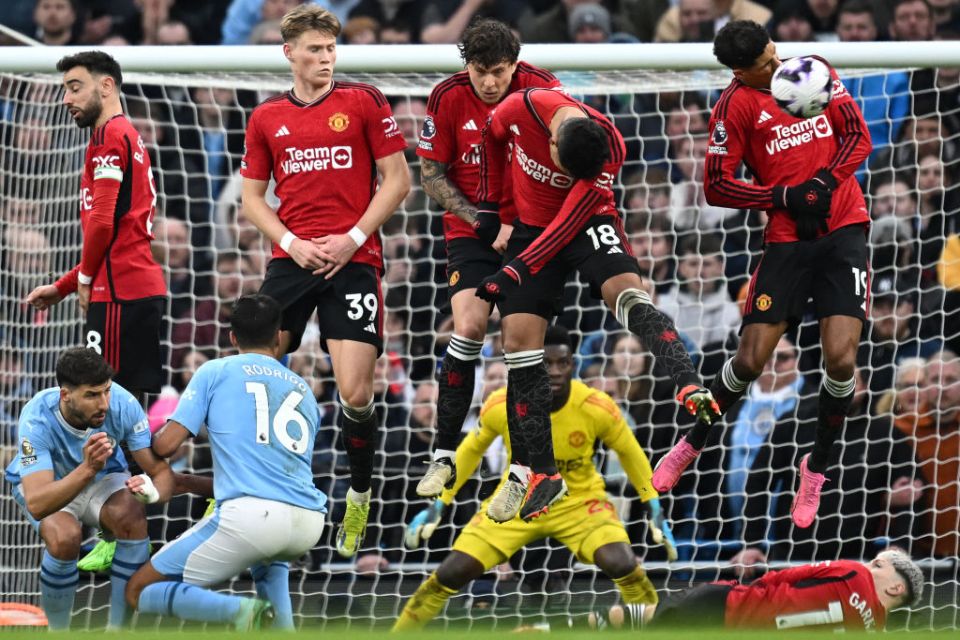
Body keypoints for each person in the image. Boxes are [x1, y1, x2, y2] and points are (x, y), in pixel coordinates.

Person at [654, 20, 873, 530]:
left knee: (841, 360)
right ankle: (693, 441)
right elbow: (716, 187)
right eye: (762, 66)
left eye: (773, 54)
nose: (775, 67)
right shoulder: (733, 108)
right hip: (786, 242)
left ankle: (815, 467)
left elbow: (857, 138)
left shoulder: (809, 71)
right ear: (739, 71)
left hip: (843, 231)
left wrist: (823, 181)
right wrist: (782, 197)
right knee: (750, 360)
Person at [474, 87, 717, 522]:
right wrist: (498, 210)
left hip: (587, 223)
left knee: (629, 295)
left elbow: (566, 224)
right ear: (551, 141)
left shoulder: (610, 148)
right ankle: (540, 473)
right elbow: (492, 137)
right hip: (531, 228)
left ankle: (687, 381)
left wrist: (511, 272)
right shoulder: (523, 106)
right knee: (518, 345)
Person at [239, 4, 410, 558]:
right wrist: (291, 244)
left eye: (331, 49)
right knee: (254, 377)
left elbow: (398, 179)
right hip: (293, 260)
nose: (325, 58)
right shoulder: (266, 118)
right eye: (314, 49)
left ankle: (358, 495)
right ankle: (246, 494)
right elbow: (251, 198)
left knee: (356, 393)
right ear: (289, 53)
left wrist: (353, 238)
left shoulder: (362, 101)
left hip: (353, 257)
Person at [393, 326, 673, 631]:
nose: (554, 371)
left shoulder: (596, 406)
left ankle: (653, 628)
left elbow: (633, 455)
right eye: (545, 364)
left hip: (578, 502)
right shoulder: (503, 403)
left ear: (571, 365)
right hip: (516, 500)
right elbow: (469, 452)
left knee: (625, 567)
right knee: (448, 575)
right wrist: (439, 503)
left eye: (561, 363)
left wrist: (654, 507)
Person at [413, 17, 560, 499]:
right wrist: (482, 221)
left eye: (499, 71)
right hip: (474, 229)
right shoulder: (448, 96)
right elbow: (431, 173)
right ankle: (443, 454)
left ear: (515, 64)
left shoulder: (543, 89)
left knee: (520, 345)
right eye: (481, 71)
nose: (491, 82)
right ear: (467, 67)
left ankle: (523, 470)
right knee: (469, 328)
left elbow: (569, 158)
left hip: (531, 230)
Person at [124, 294, 327, 630]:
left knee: (139, 589)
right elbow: (272, 473)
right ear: (279, 337)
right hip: (307, 521)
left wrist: (133, 431)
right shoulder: (304, 390)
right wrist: (187, 482)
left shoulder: (216, 371)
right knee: (270, 574)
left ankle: (239, 613)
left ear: (232, 337)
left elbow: (166, 446)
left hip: (252, 519)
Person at [3, 348, 210, 630]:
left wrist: (151, 493)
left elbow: (160, 471)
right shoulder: (36, 417)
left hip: (101, 478)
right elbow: (38, 503)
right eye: (92, 395)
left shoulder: (123, 405)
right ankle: (57, 632)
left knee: (131, 515)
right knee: (65, 537)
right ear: (66, 395)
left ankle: (118, 632)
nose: (103, 403)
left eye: (106, 391)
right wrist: (87, 467)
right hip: (48, 485)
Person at [26, 51, 167, 399]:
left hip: (118, 293)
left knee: (100, 402)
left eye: (75, 87)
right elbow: (115, 235)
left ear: (106, 86)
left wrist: (85, 281)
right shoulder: (127, 135)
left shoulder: (108, 138)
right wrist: (63, 287)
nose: (66, 99)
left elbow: (102, 224)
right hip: (132, 286)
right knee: (125, 406)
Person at [587, 550, 923, 631]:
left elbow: (790, 575)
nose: (870, 566)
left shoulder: (854, 572)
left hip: (729, 609)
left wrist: (752, 591)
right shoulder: (873, 632)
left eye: (879, 565)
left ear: (896, 586)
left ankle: (578, 626)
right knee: (652, 616)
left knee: (649, 619)